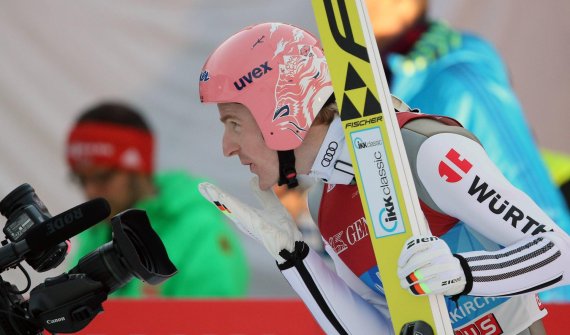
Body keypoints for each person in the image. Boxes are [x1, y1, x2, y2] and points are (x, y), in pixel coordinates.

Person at [197, 22, 570, 334]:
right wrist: (296, 259)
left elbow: (560, 255)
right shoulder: (324, 205)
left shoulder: (423, 150)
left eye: (233, 124)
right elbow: (381, 329)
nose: (227, 147)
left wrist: (465, 273)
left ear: (279, 112)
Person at [365, 0, 570, 303]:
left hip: (528, 302)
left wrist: (554, 308)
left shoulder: (458, 80)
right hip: (456, 300)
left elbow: (544, 228)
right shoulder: (387, 79)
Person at [66, 102, 249, 298]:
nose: (90, 190)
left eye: (103, 177)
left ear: (138, 170)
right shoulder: (97, 232)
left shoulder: (200, 231)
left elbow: (215, 325)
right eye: (81, 179)